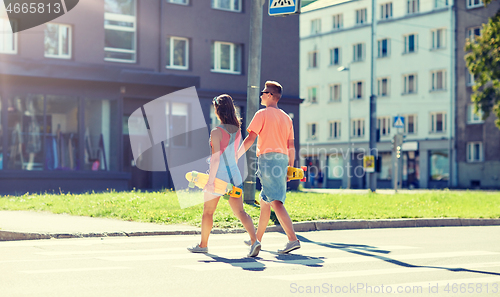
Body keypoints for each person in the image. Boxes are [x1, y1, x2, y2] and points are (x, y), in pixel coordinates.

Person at [187, 94, 261, 257]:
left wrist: (210, 181)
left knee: (208, 212)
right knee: (241, 212)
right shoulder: (236, 129)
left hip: (219, 177)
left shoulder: (216, 132)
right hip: (234, 175)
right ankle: (255, 241)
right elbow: (234, 153)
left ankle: (203, 245)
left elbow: (215, 159)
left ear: (217, 110)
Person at [237, 81, 300, 254]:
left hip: (268, 160)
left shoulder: (262, 114)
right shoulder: (287, 118)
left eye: (264, 92)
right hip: (282, 160)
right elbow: (291, 145)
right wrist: (291, 167)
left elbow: (250, 138)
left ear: (271, 95)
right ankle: (256, 239)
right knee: (265, 201)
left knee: (275, 201)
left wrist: (236, 155)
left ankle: (292, 239)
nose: (261, 95)